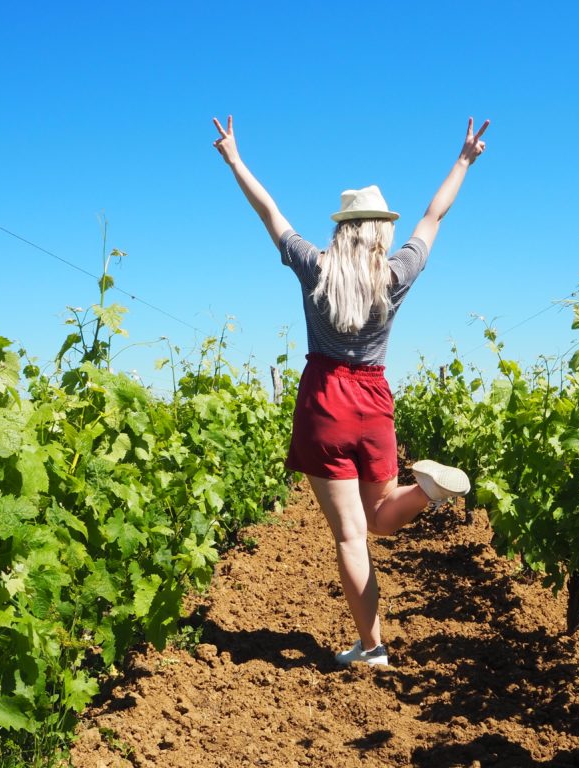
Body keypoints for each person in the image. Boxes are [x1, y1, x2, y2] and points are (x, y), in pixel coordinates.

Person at [212, 115, 489, 667]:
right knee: (382, 514)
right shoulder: (396, 275)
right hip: (374, 403)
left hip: (325, 403)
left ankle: (372, 646)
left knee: (351, 537)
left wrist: (235, 160)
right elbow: (434, 216)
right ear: (381, 230)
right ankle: (428, 493)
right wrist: (464, 159)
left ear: (343, 227)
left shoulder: (314, 267)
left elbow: (270, 212)